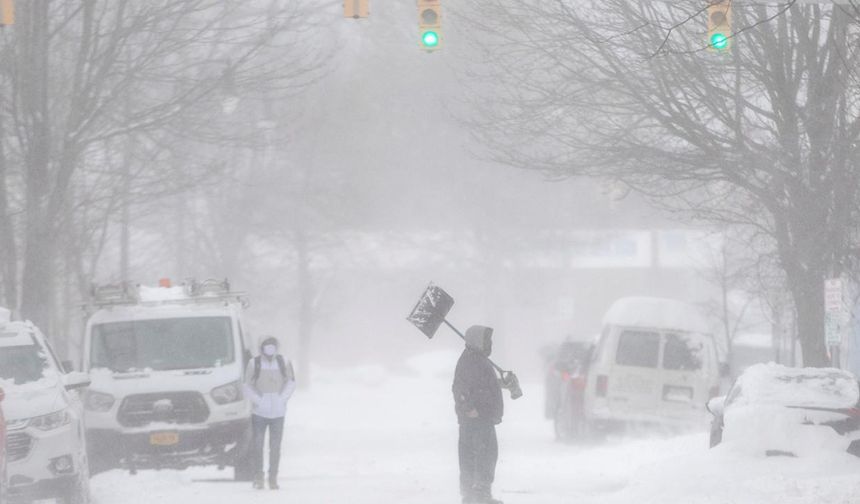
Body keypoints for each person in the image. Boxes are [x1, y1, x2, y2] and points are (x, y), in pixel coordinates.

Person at [452, 325, 506, 504]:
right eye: (486, 340)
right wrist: (468, 408)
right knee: (483, 454)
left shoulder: (477, 359)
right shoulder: (471, 360)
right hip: (476, 418)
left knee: (480, 454)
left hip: (482, 417)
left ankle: (473, 494)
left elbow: (483, 384)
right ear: (477, 341)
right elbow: (460, 388)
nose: (489, 343)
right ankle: (479, 495)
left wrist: (502, 383)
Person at [244, 336, 296, 490]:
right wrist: (259, 401)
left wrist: (281, 399)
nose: (270, 348)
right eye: (267, 345)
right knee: (258, 445)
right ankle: (258, 477)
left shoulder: (284, 362)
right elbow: (247, 385)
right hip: (259, 413)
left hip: (278, 413)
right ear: (262, 347)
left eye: (272, 345)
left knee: (275, 447)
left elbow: (291, 382)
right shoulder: (254, 363)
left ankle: (272, 478)